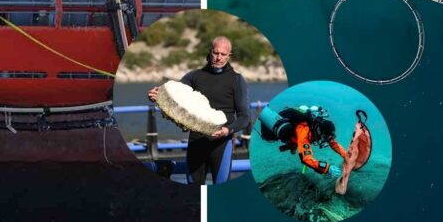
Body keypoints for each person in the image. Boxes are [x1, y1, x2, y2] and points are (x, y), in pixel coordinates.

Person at [148, 36, 250, 185]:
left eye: (223, 54)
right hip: (196, 141)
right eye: (216, 53)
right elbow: (174, 94)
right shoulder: (194, 76)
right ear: (210, 52)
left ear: (229, 55)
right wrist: (157, 95)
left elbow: (244, 117)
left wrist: (228, 130)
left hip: (221, 143)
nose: (218, 58)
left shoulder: (236, 80)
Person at [263, 105, 347, 176]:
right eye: (324, 138)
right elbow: (306, 158)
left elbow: (333, 143)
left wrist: (346, 156)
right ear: (319, 131)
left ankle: (293, 144)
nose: (325, 141)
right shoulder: (304, 131)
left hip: (296, 137)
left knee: (295, 141)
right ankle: (263, 110)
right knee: (267, 137)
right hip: (285, 132)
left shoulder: (322, 128)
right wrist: (327, 168)